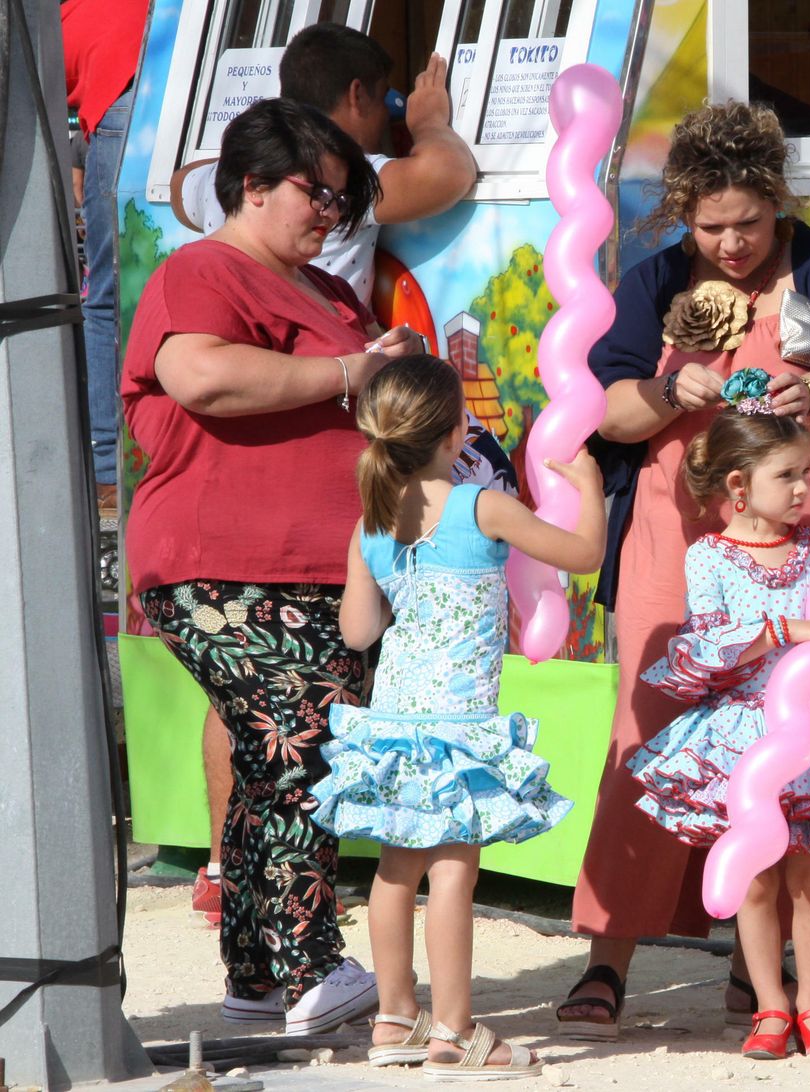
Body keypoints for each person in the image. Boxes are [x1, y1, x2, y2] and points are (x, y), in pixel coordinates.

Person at [559, 100, 810, 1038]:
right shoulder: (654, 279)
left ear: (778, 204)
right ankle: (609, 955)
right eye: (711, 227)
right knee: (654, 732)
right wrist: (666, 390)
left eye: (749, 222)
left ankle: (768, 972)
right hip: (683, 535)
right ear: (681, 217)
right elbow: (603, 407)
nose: (732, 243)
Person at [176, 21, 481, 926]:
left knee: (248, 704)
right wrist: (428, 119)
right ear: (356, 101)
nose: (332, 213)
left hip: (281, 526)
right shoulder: (323, 189)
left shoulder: (214, 184)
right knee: (293, 710)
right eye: (325, 196)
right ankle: (288, 934)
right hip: (293, 520)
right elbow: (452, 172)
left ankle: (235, 876)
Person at [122, 97, 416, 1034]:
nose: (329, 215)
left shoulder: (330, 294)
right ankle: (310, 967)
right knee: (300, 749)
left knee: (269, 762)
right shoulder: (202, 269)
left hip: (325, 571)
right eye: (315, 193)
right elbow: (200, 375)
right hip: (221, 565)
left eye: (342, 201)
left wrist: (391, 375)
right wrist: (349, 374)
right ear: (251, 185)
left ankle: (254, 977)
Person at [307, 354, 603, 1078]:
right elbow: (584, 552)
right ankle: (456, 1030)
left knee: (393, 872)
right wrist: (589, 488)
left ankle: (394, 1021)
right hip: (457, 727)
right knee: (452, 873)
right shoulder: (483, 505)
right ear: (458, 429)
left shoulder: (371, 524)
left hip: (393, 724)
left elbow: (355, 633)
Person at [628, 389, 810, 1060]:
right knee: (759, 876)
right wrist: (782, 628)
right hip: (741, 739)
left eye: (804, 473)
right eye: (786, 475)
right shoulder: (708, 557)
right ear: (738, 485)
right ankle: (767, 1008)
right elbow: (706, 647)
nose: (802, 487)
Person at [172, 22, 476, 306]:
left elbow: (178, 185)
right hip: (323, 352)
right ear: (357, 95)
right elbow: (450, 173)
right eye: (383, 98)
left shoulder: (229, 175)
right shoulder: (338, 181)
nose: (387, 116)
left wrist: (252, 152)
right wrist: (428, 121)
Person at [61, 0, 147, 515]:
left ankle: (109, 472)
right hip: (158, 100)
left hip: (122, 108)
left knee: (105, 302)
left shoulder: (48, 17)